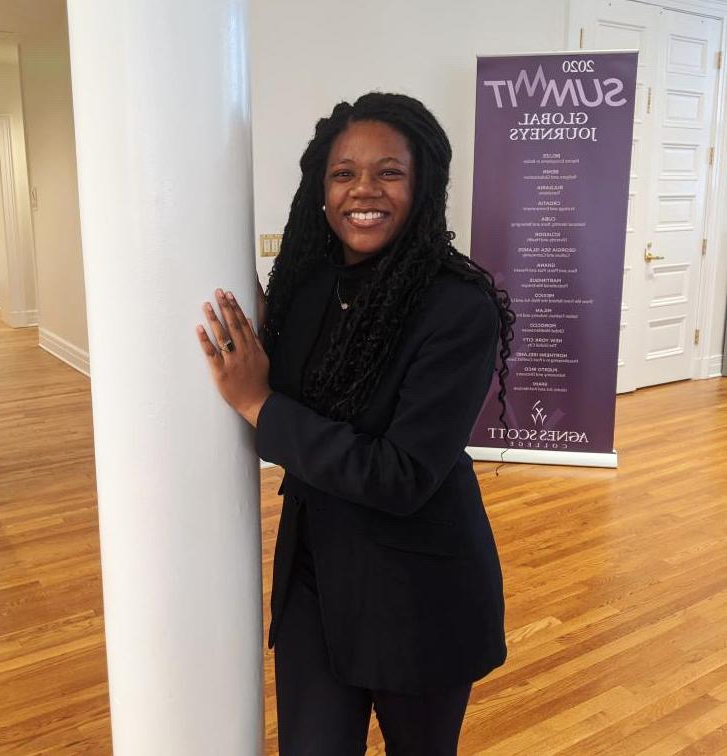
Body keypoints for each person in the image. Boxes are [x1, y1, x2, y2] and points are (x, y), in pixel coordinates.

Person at [196, 92, 514, 756]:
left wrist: (260, 406)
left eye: (388, 172)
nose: (362, 190)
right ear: (321, 188)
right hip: (314, 578)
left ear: (423, 184)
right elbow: (300, 391)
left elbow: (400, 475)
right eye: (343, 173)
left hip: (418, 594)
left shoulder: (458, 308)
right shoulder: (312, 289)